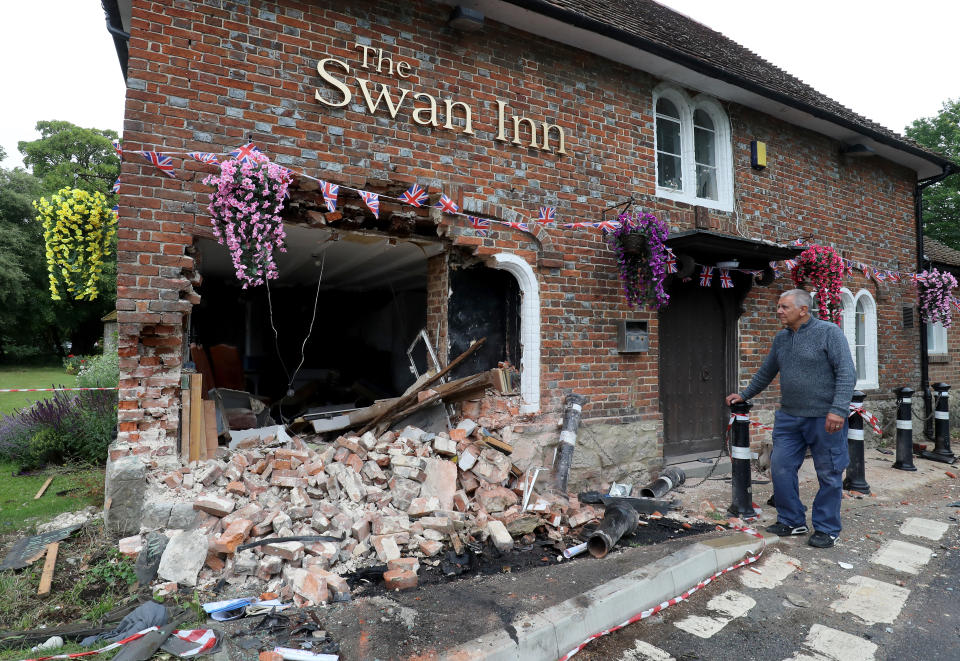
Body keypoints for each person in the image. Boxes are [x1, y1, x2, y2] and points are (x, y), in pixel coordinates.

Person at [726, 289, 855, 548]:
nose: (779, 311)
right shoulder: (782, 339)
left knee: (829, 473)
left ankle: (827, 528)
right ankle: (792, 519)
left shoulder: (829, 333)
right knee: (780, 468)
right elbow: (766, 372)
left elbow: (846, 372)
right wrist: (744, 394)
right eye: (779, 306)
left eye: (784, 307)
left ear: (803, 310)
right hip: (789, 417)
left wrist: (838, 410)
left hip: (824, 418)